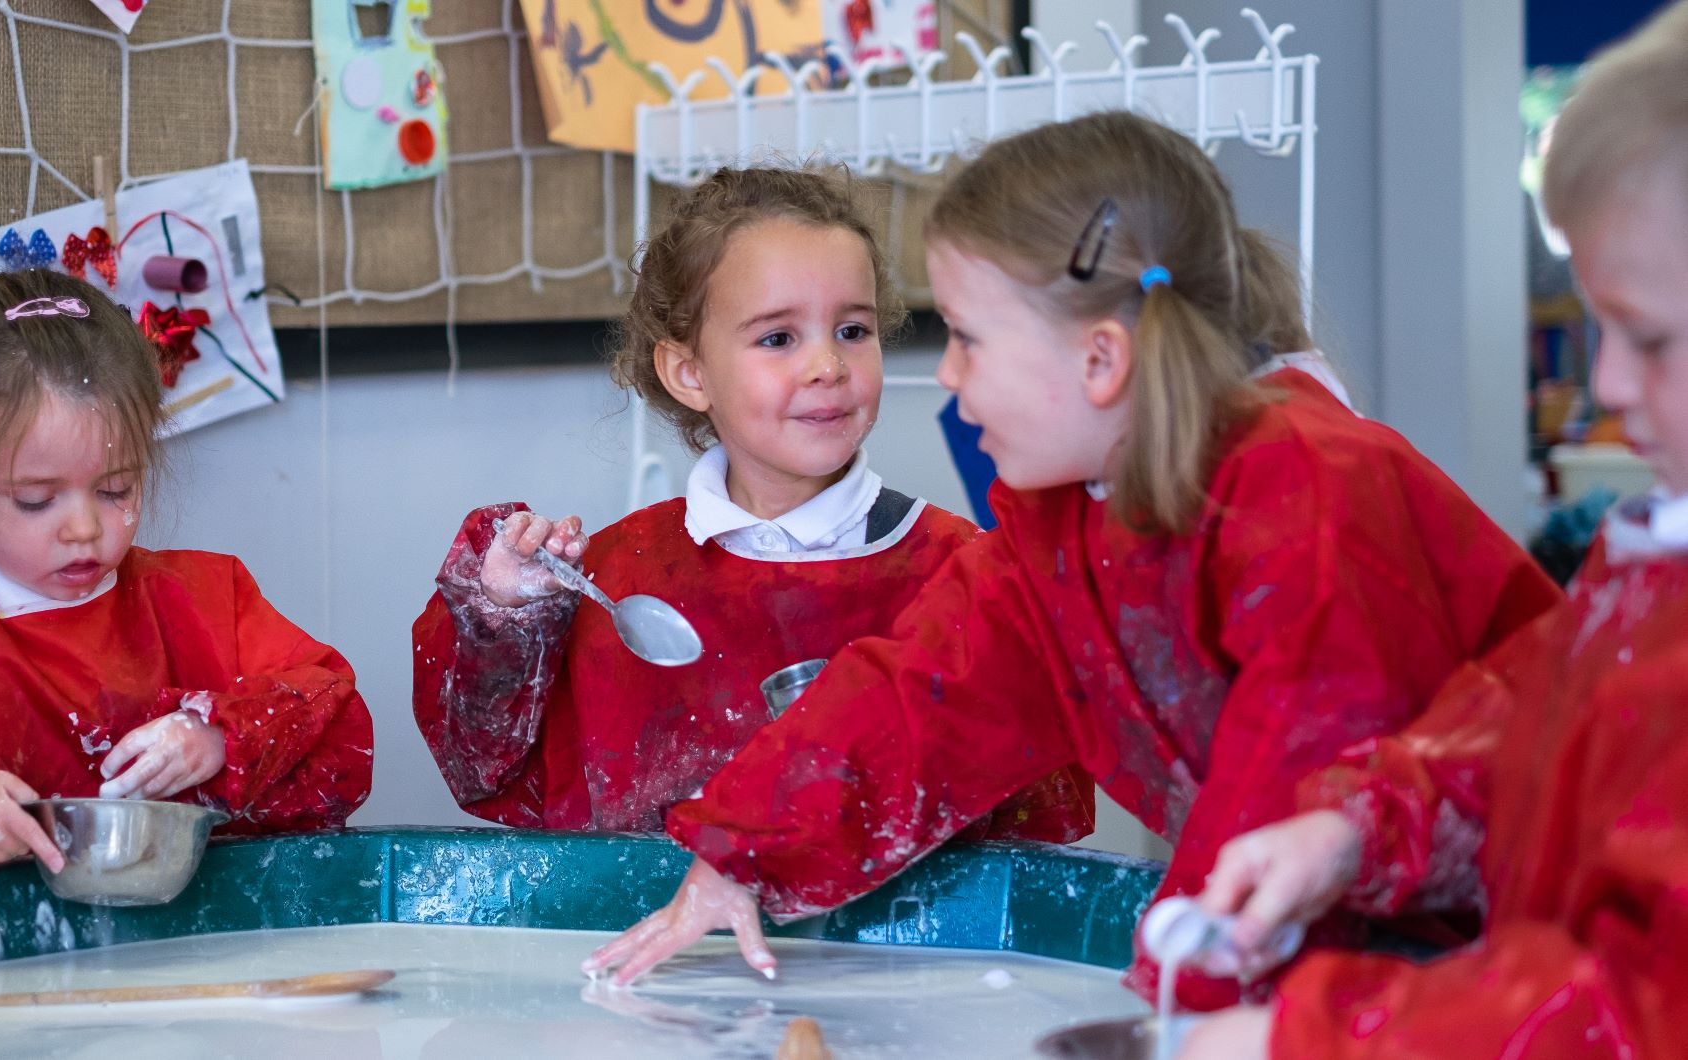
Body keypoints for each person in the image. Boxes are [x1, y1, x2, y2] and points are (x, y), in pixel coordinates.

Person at [585, 113, 1561, 1010]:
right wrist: (741, 849)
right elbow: (923, 692)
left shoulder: (1310, 501)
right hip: (1373, 952)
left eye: (967, 338)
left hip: (1534, 948)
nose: (950, 375)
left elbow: (1284, 812)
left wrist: (1184, 1013)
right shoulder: (1065, 520)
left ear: (1099, 362)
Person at [1180, 6, 1688, 1054]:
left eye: (1647, 338)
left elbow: (1644, 1008)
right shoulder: (1655, 558)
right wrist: (1354, 829)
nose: (1602, 383)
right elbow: (1531, 732)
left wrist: (1314, 1038)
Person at [413, 165, 1093, 840]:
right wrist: (504, 622)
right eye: (777, 338)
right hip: (659, 942)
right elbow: (491, 776)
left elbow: (1040, 821)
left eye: (852, 331)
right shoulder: (615, 580)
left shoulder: (966, 574)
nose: (827, 366)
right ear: (690, 373)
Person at [0, 270, 373, 888]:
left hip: (198, 959)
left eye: (114, 490)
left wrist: (220, 739)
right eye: (35, 500)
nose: (82, 528)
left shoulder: (207, 600)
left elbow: (336, 717)